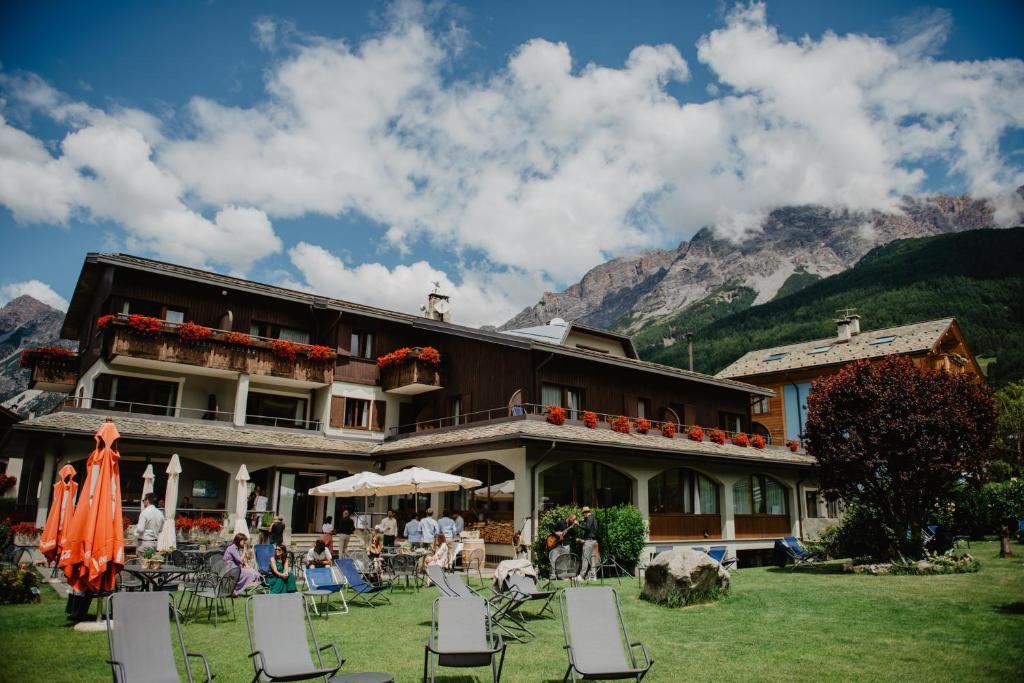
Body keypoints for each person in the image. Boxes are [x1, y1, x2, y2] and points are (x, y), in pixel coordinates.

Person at [577, 506, 599, 582]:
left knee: (585, 558)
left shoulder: (589, 518)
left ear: (585, 513)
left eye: (583, 514)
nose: (583, 516)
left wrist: (578, 525)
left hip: (589, 542)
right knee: (593, 560)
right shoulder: (594, 519)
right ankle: (593, 576)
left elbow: (587, 528)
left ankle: (581, 576)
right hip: (595, 542)